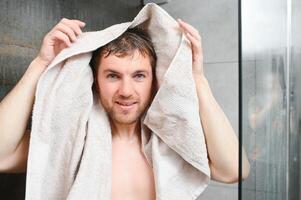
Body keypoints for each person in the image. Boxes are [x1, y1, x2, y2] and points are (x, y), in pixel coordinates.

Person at [0, 18, 250, 199]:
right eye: (112, 76)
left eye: (139, 75)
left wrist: (198, 80)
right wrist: (40, 64)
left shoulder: (171, 146)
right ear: (95, 81)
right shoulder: (73, 140)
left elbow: (233, 171)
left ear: (155, 81)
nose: (126, 91)